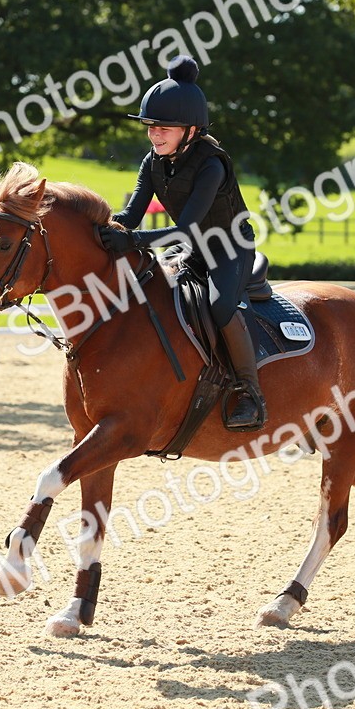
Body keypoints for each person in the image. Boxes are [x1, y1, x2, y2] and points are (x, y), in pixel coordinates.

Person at [98, 55, 266, 431]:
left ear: (190, 129)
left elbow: (187, 227)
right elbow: (130, 216)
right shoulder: (153, 161)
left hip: (229, 247)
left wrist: (133, 241)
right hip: (193, 249)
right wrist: (103, 230)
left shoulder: (212, 165)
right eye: (150, 127)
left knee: (221, 307)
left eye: (164, 128)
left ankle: (250, 392)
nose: (155, 134)